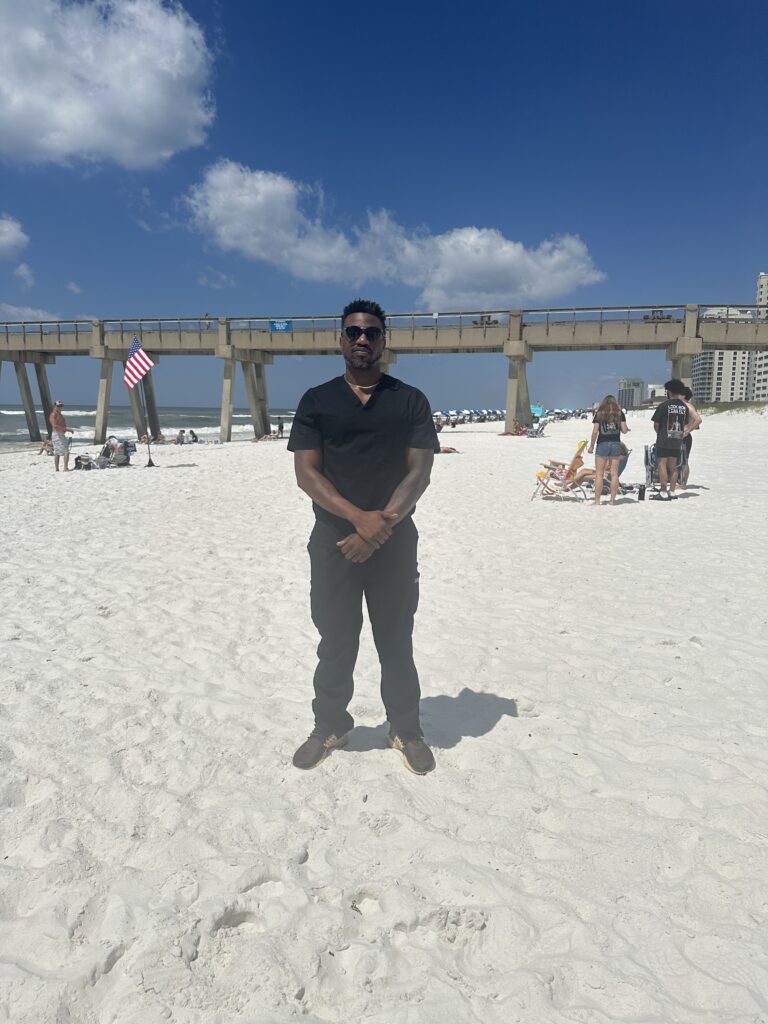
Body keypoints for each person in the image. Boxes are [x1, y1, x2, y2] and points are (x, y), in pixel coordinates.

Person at [288, 298, 439, 775]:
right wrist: (359, 520)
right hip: (334, 542)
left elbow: (420, 471)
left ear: (383, 341)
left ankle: (406, 728)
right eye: (354, 331)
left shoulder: (410, 400)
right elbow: (307, 474)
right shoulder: (317, 400)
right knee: (335, 641)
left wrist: (381, 526)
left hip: (394, 543)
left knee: (396, 641)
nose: (362, 340)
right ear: (341, 339)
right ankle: (330, 724)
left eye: (372, 333)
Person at [651, 379, 692, 500]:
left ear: (669, 391)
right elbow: (685, 424)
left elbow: (656, 424)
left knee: (661, 464)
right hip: (677, 439)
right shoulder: (684, 407)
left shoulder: (664, 405)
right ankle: (672, 491)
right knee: (674, 466)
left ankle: (663, 491)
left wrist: (659, 434)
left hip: (664, 438)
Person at [588, 395, 629, 505]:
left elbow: (595, 431)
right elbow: (624, 430)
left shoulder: (600, 413)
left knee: (599, 474)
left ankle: (597, 501)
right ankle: (612, 501)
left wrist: (591, 446)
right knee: (614, 474)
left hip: (602, 444)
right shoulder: (620, 414)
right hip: (615, 444)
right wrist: (627, 429)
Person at [680, 387, 702, 487]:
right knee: (679, 460)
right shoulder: (682, 406)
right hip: (681, 436)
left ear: (683, 395)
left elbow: (698, 420)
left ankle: (684, 484)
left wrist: (688, 430)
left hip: (685, 437)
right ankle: (680, 481)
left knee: (684, 460)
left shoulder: (688, 406)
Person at [49, 399, 74, 472]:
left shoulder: (60, 415)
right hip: (57, 434)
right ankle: (65, 468)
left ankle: (57, 469)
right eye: (58, 406)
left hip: (60, 434)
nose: (60, 407)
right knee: (66, 451)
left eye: (61, 406)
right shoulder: (54, 414)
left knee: (57, 452)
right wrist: (67, 429)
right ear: (55, 406)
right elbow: (55, 425)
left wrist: (64, 430)